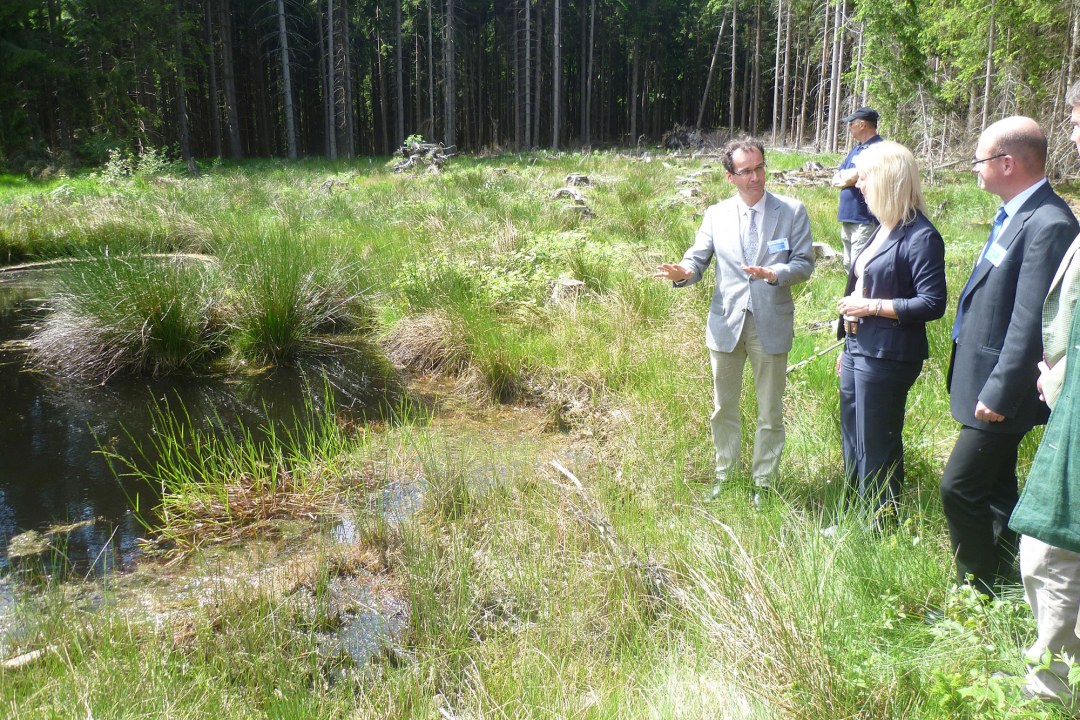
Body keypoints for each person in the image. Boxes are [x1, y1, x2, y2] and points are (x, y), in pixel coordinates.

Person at [941, 116, 1078, 596]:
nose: (974, 169)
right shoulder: (1017, 213)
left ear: (1007, 162)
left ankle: (976, 592)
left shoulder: (1049, 223)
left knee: (958, 488)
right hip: (985, 378)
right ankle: (1006, 585)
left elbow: (1030, 323)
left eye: (979, 160)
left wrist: (999, 390)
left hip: (1006, 388)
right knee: (995, 490)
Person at [655, 137, 814, 504]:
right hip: (726, 325)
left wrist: (774, 274)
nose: (756, 177)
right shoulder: (716, 214)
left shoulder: (791, 211)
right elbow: (697, 260)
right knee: (723, 408)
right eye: (746, 171)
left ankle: (763, 483)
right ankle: (726, 477)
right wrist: (682, 272)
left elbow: (804, 263)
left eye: (760, 168)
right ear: (730, 177)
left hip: (770, 324)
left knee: (770, 410)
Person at [1008, 80, 1080, 708]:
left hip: (1076, 426)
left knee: (1049, 556)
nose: (1074, 133)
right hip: (1066, 406)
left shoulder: (1051, 218)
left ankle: (1050, 691)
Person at [833, 141, 946, 525]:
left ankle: (878, 526)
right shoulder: (883, 227)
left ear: (886, 180)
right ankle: (854, 516)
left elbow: (932, 303)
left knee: (877, 445)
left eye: (863, 178)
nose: (858, 186)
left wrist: (871, 307)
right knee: (854, 439)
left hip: (887, 356)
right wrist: (846, 345)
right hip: (857, 349)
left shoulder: (920, 236)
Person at [831, 107, 883, 270]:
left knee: (860, 265)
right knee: (848, 264)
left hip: (865, 218)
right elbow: (837, 177)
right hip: (848, 217)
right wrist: (849, 176)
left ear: (862, 125)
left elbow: (859, 174)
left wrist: (851, 176)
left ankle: (861, 295)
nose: (849, 127)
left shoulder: (878, 148)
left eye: (851, 124)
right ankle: (851, 295)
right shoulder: (857, 149)